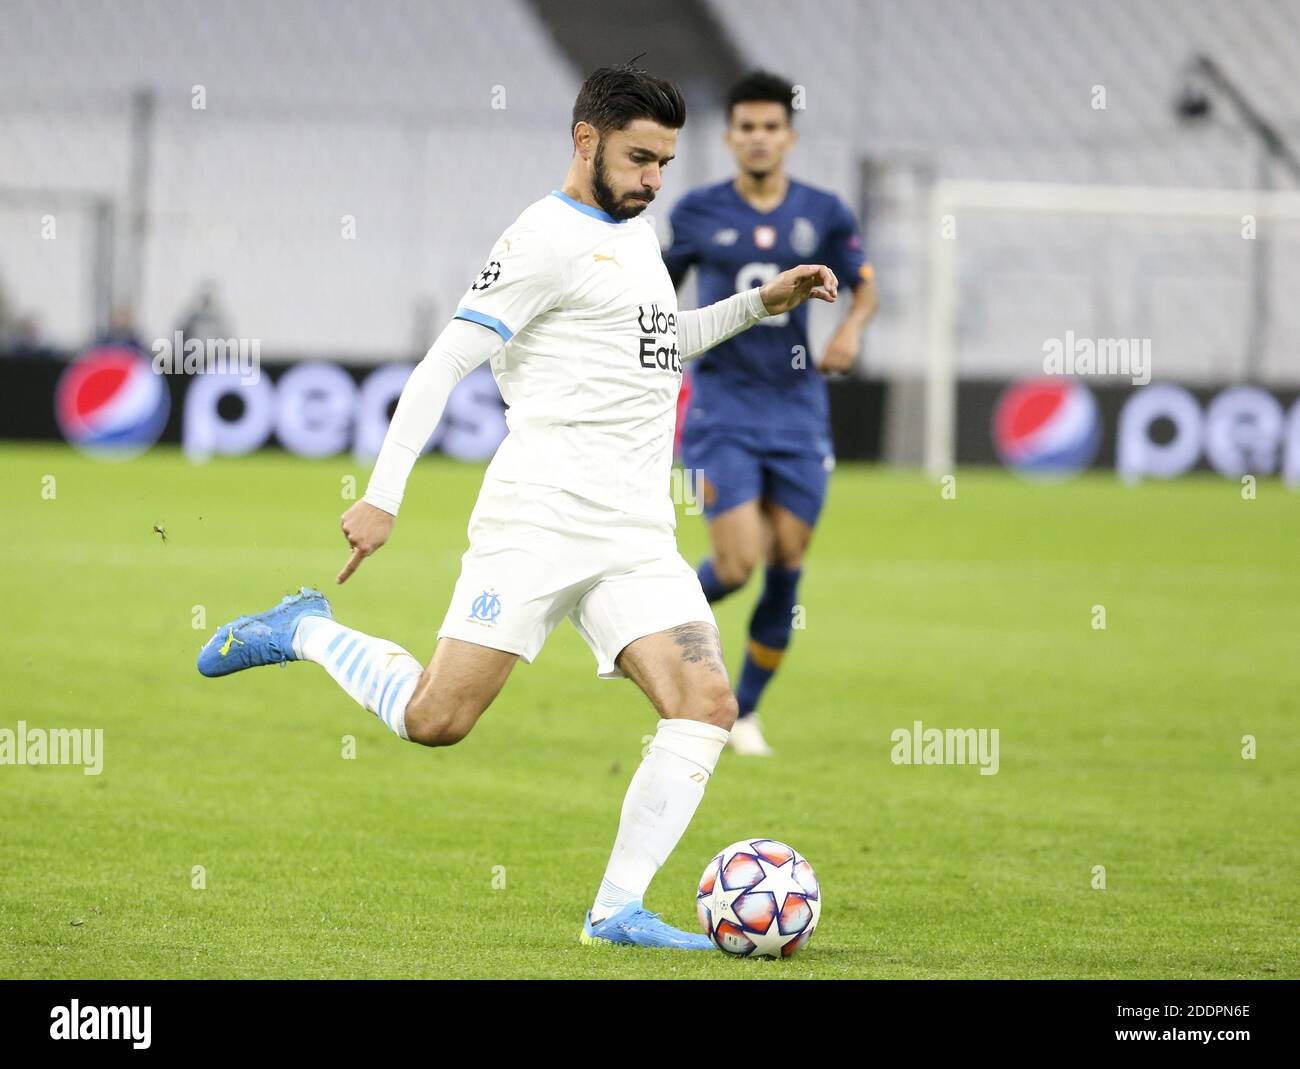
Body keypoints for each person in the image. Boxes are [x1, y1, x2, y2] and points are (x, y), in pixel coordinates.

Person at [196, 64, 837, 950]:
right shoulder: (541, 239)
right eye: (640, 159)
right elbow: (442, 365)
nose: (654, 180)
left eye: (664, 163)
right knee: (437, 720)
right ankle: (305, 627)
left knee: (705, 704)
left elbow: (657, 343)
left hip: (636, 533)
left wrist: (760, 303)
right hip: (537, 521)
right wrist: (382, 498)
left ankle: (615, 910)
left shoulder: (634, 232)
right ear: (586, 141)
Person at [663, 70, 878, 757]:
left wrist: (850, 330)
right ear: (729, 137)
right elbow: (655, 291)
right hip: (721, 406)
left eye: (770, 127)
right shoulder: (697, 211)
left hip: (797, 409)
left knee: (788, 556)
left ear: (789, 136)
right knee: (734, 564)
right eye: (746, 127)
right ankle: (650, 623)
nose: (758, 139)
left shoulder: (824, 211)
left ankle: (742, 711)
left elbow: (865, 285)